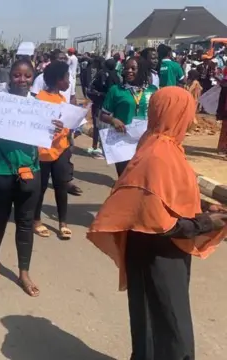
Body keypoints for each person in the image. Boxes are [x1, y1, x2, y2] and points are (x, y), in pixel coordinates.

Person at [87, 86, 227, 360]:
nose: (192, 121)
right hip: (159, 254)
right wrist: (205, 223)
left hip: (153, 249)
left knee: (150, 317)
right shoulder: (159, 154)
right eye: (187, 112)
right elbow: (159, 220)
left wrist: (203, 209)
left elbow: (169, 198)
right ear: (175, 114)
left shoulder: (159, 145)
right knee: (170, 322)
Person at [0, 59, 43, 296]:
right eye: (16, 75)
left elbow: (47, 138)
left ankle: (24, 271)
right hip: (0, 170)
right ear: (9, 76)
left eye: (26, 76)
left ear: (32, 77)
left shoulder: (38, 105)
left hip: (30, 170)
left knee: (25, 223)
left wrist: (53, 127)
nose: (21, 80)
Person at [100, 57, 157, 176]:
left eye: (133, 68)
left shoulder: (153, 91)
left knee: (144, 179)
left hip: (146, 142)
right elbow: (103, 115)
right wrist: (113, 120)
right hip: (123, 143)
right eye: (126, 68)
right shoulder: (116, 90)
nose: (129, 71)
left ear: (141, 70)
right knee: (124, 179)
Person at [32, 61, 70, 240]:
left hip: (61, 150)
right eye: (67, 77)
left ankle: (63, 222)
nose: (69, 81)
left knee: (61, 185)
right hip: (43, 152)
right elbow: (38, 125)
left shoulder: (63, 99)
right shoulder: (41, 99)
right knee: (40, 188)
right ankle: (36, 220)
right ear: (57, 80)